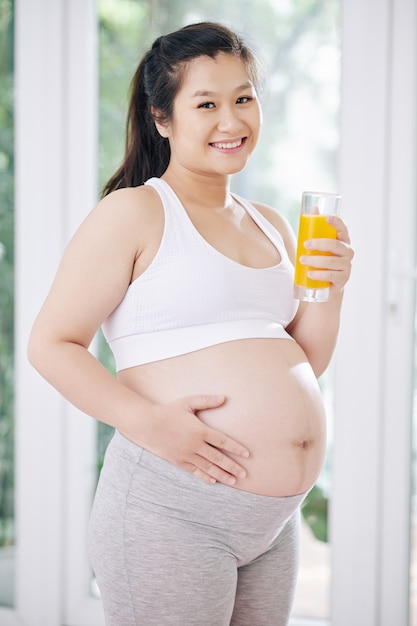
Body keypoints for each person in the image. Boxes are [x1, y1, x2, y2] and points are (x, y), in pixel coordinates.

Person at [28, 21, 353, 626]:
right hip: (172, 508)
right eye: (206, 104)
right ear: (163, 119)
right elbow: (52, 344)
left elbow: (303, 362)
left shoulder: (271, 225)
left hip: (271, 524)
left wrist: (329, 294)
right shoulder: (134, 212)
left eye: (243, 98)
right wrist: (150, 423)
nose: (230, 121)